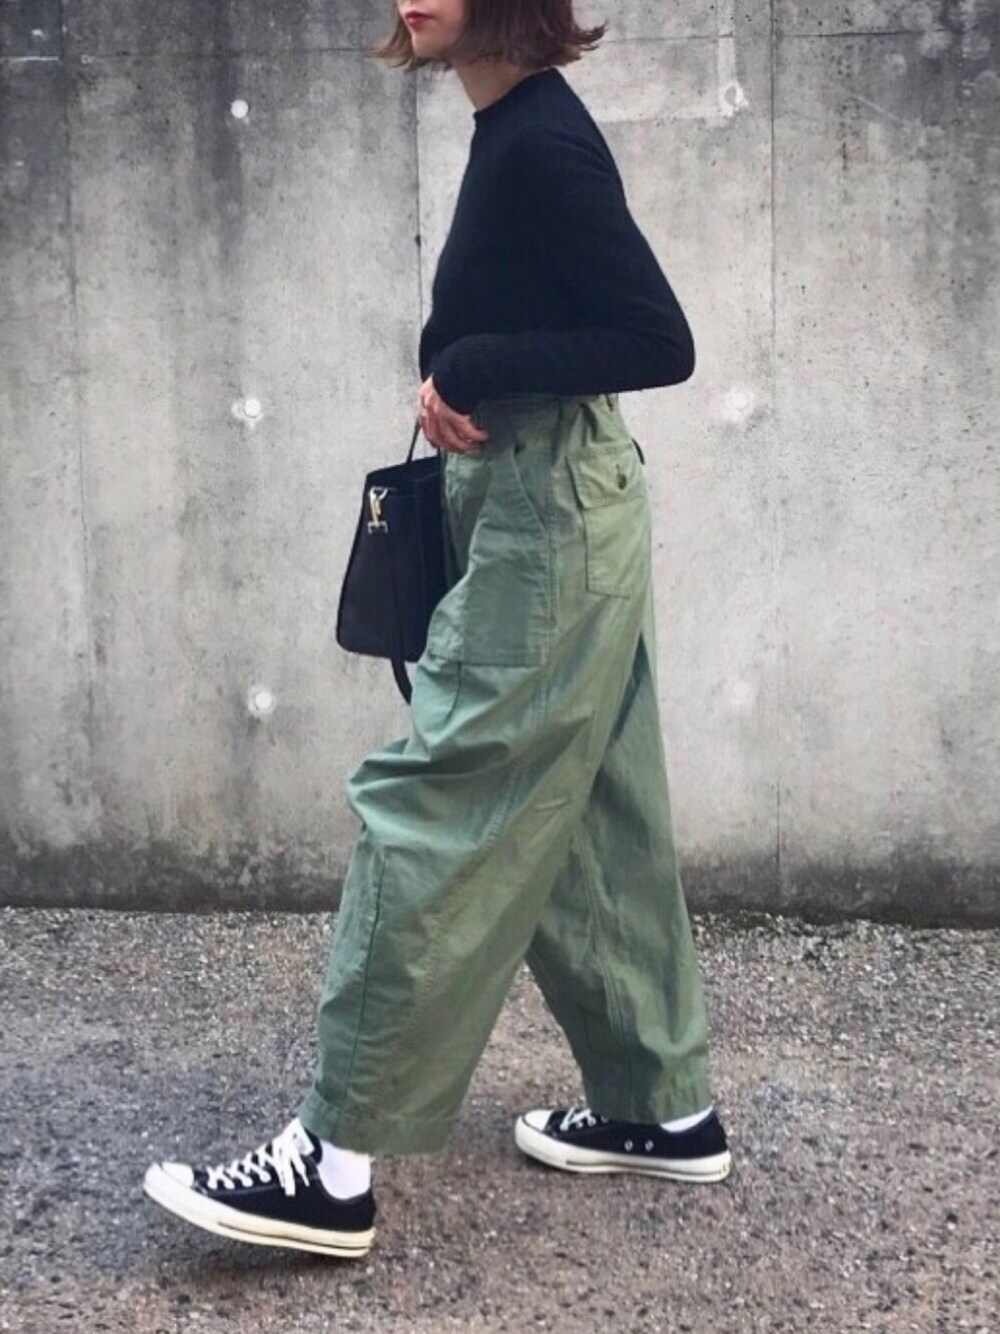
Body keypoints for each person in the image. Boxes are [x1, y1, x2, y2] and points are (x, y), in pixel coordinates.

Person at [143, 0, 732, 1259]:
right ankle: (660, 1106)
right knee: (594, 811)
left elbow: (657, 339)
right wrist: (461, 371)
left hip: (547, 511)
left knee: (434, 801)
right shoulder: (508, 122)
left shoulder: (541, 141)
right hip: (549, 498)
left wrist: (468, 369)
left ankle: (329, 1163)